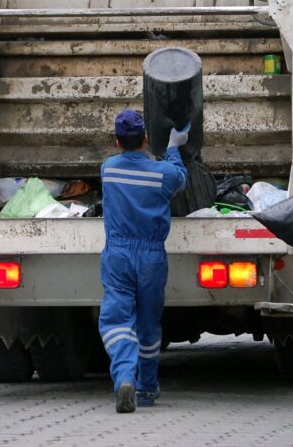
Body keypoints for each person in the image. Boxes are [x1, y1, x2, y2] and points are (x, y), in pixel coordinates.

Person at [98, 109, 188, 413]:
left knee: (117, 320)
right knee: (148, 325)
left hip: (119, 255)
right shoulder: (163, 173)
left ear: (117, 141)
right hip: (151, 257)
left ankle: (125, 377)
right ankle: (147, 388)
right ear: (146, 138)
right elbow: (180, 178)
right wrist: (174, 148)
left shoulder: (108, 170)